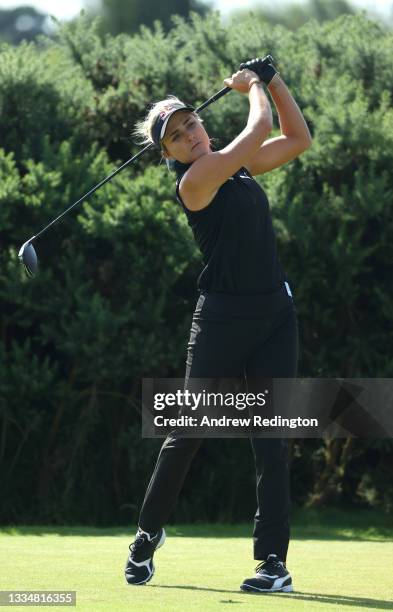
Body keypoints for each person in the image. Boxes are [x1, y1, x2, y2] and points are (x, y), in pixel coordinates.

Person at [125, 57, 312, 593]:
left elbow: (297, 137)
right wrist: (253, 86)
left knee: (272, 438)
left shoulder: (239, 168)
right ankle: (145, 538)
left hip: (275, 315)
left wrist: (274, 81)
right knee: (186, 432)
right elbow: (258, 130)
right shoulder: (196, 181)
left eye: (193, 124)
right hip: (223, 320)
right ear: (167, 154)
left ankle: (272, 563)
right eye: (178, 136)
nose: (191, 135)